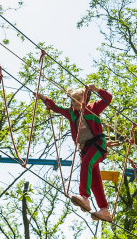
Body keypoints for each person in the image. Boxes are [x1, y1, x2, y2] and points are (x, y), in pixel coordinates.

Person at [35, 84, 113, 222]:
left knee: (86, 165)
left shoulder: (93, 108)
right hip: (85, 149)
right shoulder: (71, 113)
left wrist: (95, 89)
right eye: (73, 99)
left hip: (97, 145)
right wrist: (42, 98)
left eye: (79, 98)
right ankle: (104, 210)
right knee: (94, 180)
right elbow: (55, 107)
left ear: (85, 99)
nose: (76, 101)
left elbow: (108, 98)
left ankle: (84, 196)